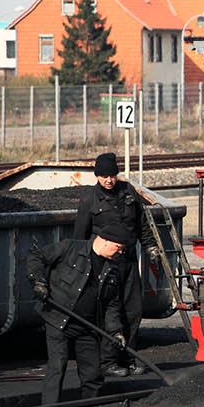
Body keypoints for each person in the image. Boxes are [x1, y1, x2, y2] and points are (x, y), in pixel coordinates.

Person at [74, 152, 159, 377]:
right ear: (97, 176)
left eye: (112, 175)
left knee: (133, 311)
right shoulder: (89, 200)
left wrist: (150, 246)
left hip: (128, 262)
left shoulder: (128, 192)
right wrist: (84, 266)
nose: (109, 180)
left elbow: (142, 224)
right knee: (110, 313)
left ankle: (129, 357)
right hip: (104, 265)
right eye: (104, 176)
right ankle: (108, 361)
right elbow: (80, 237)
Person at [27, 225, 127, 405]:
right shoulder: (70, 248)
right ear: (105, 241)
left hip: (88, 327)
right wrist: (38, 281)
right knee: (57, 367)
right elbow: (36, 256)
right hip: (58, 319)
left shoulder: (112, 269)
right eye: (118, 247)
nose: (120, 252)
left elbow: (111, 305)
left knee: (92, 373)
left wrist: (116, 331)